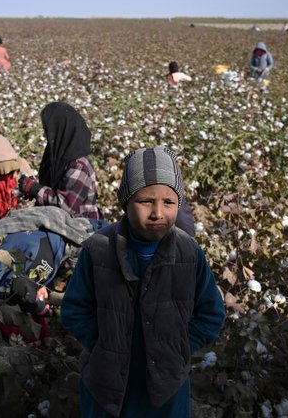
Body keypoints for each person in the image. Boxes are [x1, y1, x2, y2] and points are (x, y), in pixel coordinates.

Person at [60, 146, 226, 417]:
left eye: (169, 203)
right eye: (146, 201)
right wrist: (103, 344)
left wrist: (179, 348)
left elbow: (212, 314)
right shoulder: (98, 250)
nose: (158, 213)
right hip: (106, 387)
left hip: (166, 390)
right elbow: (74, 310)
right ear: (126, 201)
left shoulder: (189, 254)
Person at [18, 102, 104, 220]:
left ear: (61, 130)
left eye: (47, 131)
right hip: (58, 220)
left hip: (81, 227)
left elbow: (67, 207)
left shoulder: (79, 165)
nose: (45, 135)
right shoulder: (56, 156)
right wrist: (33, 187)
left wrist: (36, 189)